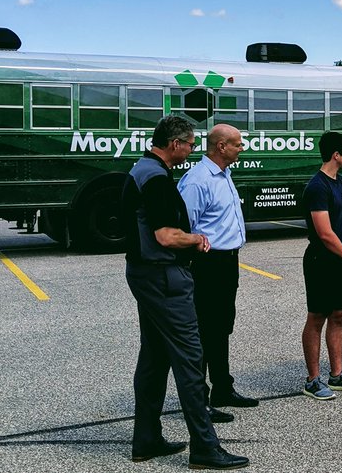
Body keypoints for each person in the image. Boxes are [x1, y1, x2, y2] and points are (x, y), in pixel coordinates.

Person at [122, 115, 248, 469]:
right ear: (174, 144)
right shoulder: (157, 178)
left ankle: (146, 439)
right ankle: (205, 447)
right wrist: (196, 239)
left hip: (145, 273)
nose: (192, 150)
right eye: (190, 144)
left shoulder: (141, 169)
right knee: (191, 359)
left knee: (154, 358)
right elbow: (166, 235)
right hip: (163, 276)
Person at [178, 124, 259, 415]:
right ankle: (199, 399)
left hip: (227, 263)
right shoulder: (198, 180)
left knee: (221, 328)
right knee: (203, 330)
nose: (242, 148)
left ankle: (222, 389)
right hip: (207, 264)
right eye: (238, 144)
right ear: (221, 147)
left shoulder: (224, 174)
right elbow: (184, 227)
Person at [299, 131, 342, 399]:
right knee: (317, 317)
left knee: (338, 315)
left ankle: (337, 375)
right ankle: (312, 380)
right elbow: (325, 233)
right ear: (336, 155)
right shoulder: (317, 187)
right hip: (321, 260)